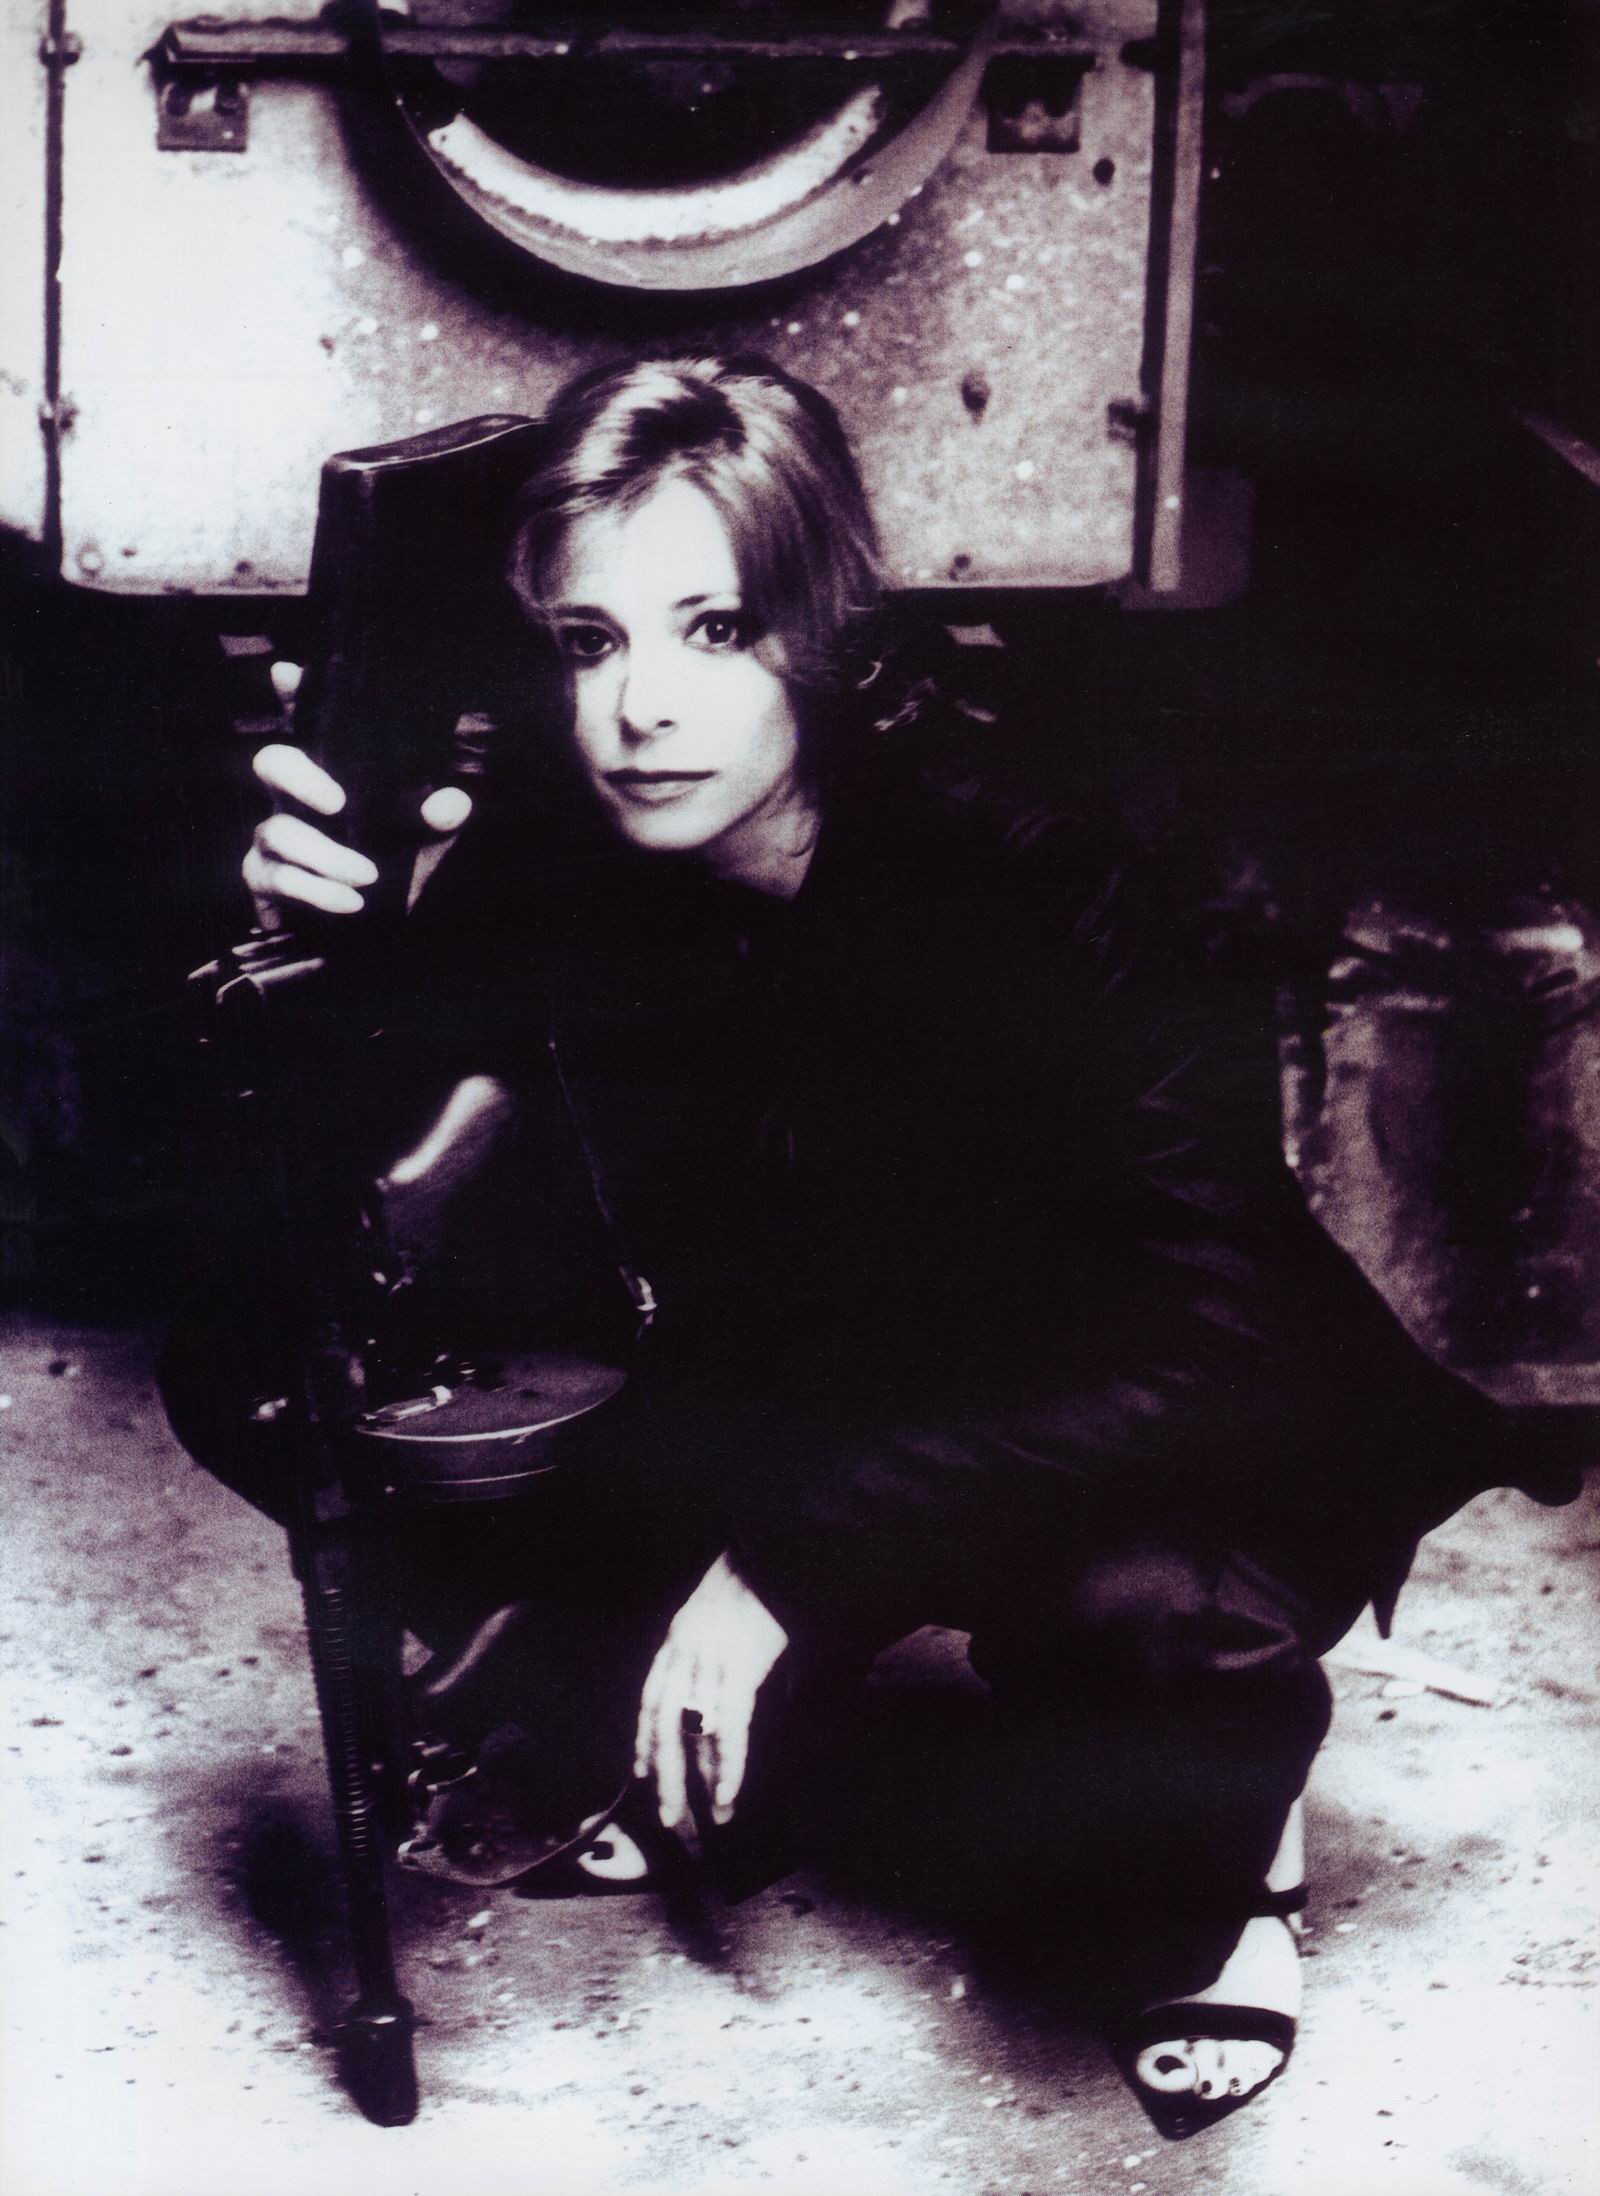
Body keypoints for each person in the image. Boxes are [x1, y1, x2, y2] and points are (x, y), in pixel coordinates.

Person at [216, 351, 1570, 2139]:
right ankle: (720, 1709)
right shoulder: (580, 831)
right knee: (254, 1356)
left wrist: (782, 1562)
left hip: (1147, 1415)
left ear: (821, 626)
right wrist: (306, 942)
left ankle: (1229, 1861)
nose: (641, 710)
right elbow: (355, 1162)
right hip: (839, 1381)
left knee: (1142, 1629)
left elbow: (1202, 1341)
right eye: (591, 642)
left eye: (715, 628)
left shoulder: (1047, 865)